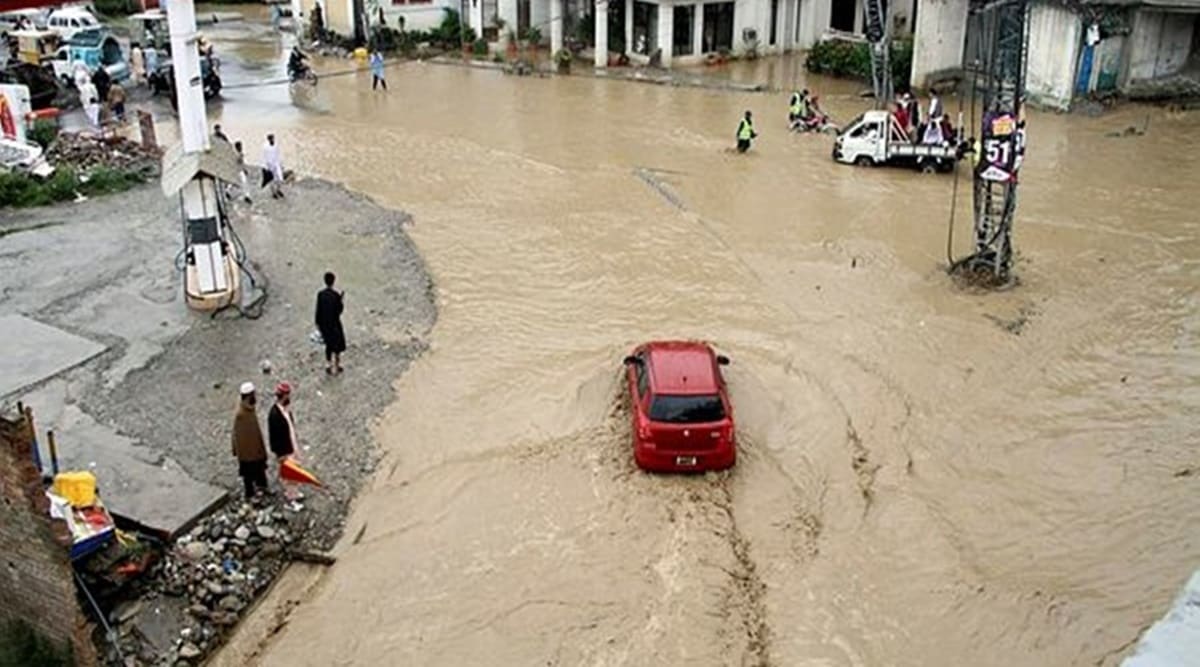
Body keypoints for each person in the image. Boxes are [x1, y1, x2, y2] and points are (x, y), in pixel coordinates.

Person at [267, 382, 304, 504]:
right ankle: (291, 495)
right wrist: (279, 454)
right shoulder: (274, 415)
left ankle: (294, 491)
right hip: (285, 449)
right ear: (284, 396)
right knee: (290, 473)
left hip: (291, 444)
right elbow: (274, 437)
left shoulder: (285, 410)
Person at [232, 382, 269, 501]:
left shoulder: (249, 409)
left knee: (259, 469)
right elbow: (238, 436)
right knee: (248, 473)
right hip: (247, 453)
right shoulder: (241, 414)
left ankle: (261, 486)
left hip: (255, 449)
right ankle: (250, 493)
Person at [315, 272, 346, 374]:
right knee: (337, 343)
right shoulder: (336, 295)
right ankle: (337, 364)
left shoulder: (320, 294)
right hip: (334, 323)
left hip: (324, 324)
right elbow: (339, 311)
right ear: (333, 281)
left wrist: (318, 323)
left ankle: (328, 364)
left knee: (328, 344)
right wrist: (341, 301)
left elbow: (318, 310)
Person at [262, 133, 284, 199]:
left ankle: (278, 190)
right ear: (268, 139)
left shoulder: (276, 145)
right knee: (272, 180)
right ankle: (273, 193)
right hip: (270, 165)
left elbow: (278, 154)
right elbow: (264, 157)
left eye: (272, 138)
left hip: (277, 164)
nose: (272, 140)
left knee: (280, 178)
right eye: (270, 138)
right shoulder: (265, 147)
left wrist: (281, 164)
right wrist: (266, 166)